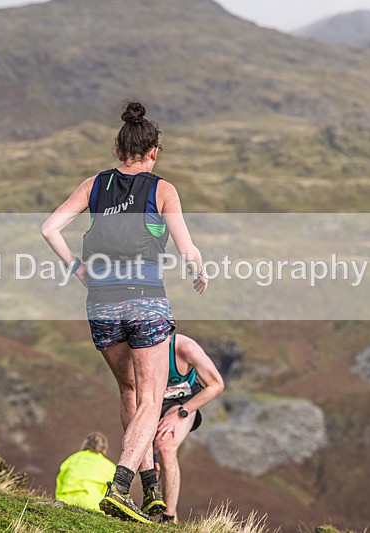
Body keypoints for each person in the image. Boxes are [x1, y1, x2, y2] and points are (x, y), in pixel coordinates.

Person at [41, 101, 207, 523]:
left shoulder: (95, 184)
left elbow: (49, 228)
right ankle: (120, 487)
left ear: (119, 151)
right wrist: (198, 271)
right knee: (152, 397)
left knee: (130, 391)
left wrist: (76, 268)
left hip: (100, 303)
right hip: (146, 298)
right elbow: (187, 247)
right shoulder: (162, 189)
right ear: (154, 152)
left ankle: (150, 491)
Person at [153, 333, 225, 523]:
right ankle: (164, 518)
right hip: (150, 406)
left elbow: (216, 385)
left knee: (166, 449)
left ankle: (168, 519)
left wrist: (181, 414)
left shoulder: (186, 348)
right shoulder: (137, 346)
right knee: (153, 466)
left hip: (181, 404)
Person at [55, 432, 117, 511]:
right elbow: (112, 493)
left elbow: (60, 481)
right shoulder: (110, 466)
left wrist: (59, 498)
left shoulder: (72, 459)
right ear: (104, 450)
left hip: (66, 500)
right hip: (93, 505)